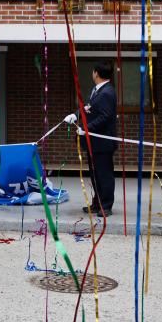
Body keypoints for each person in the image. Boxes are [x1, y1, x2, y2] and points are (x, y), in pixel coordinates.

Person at [65, 62, 117, 218]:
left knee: (104, 175)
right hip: (93, 142)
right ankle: (97, 203)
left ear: (96, 73)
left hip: (102, 143)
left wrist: (87, 128)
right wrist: (76, 115)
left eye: (93, 72)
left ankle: (106, 206)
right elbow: (88, 107)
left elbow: (105, 117)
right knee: (95, 175)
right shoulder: (97, 90)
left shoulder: (107, 92)